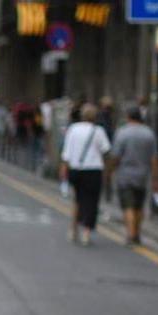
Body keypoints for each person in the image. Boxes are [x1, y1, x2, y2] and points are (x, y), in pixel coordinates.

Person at [60, 102, 111, 247]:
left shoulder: (73, 129)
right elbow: (106, 149)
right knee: (91, 202)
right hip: (93, 170)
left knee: (77, 199)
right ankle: (86, 233)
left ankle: (73, 229)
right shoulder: (98, 131)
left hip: (76, 169)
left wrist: (64, 168)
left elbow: (66, 153)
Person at [109, 107, 158, 246]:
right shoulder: (149, 133)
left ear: (129, 117)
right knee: (139, 206)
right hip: (143, 175)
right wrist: (155, 178)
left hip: (125, 174)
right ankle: (137, 233)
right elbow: (154, 158)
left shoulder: (122, 133)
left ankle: (131, 235)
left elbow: (116, 156)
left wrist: (112, 169)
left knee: (128, 205)